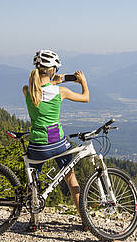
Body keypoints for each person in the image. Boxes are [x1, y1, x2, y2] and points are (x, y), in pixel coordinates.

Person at [22, 49, 89, 232]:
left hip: (37, 144)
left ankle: (33, 221)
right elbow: (86, 98)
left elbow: (40, 88)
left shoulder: (27, 90)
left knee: (32, 181)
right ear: (52, 70)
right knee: (71, 178)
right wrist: (83, 82)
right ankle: (85, 220)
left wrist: (52, 81)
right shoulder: (61, 92)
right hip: (56, 142)